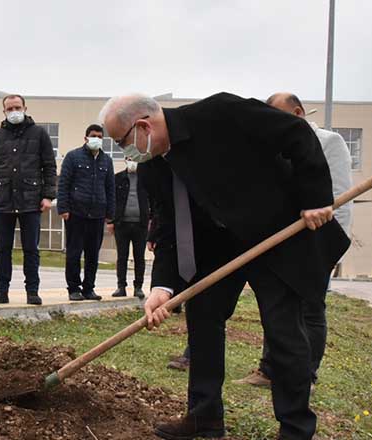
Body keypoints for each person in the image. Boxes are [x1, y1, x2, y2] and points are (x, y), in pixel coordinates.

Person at [100, 93, 348, 440]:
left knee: (284, 332)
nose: (125, 152)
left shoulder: (221, 113)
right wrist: (162, 287)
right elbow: (168, 227)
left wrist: (315, 197)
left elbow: (296, 133)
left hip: (273, 236)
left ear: (143, 125)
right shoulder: (153, 164)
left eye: (122, 142)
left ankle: (295, 429)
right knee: (202, 317)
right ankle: (205, 417)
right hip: (218, 250)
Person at [233, 92, 353, 388]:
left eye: (278, 116)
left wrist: (329, 245)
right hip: (284, 238)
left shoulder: (330, 142)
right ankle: (269, 370)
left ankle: (305, 375)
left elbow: (338, 196)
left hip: (318, 238)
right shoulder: (277, 145)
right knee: (278, 306)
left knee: (311, 307)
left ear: (298, 113)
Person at [0, 94, 57, 305]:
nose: (14, 111)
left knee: (31, 249)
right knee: (2, 249)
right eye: (9, 108)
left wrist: (48, 195)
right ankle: (1, 290)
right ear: (4, 111)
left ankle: (32, 290)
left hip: (31, 201)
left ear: (25, 108)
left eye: (17, 107)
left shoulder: (39, 134)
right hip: (3, 201)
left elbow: (49, 166)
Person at [57, 124, 115, 301]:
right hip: (76, 213)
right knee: (74, 253)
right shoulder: (73, 157)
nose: (96, 139)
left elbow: (110, 188)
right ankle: (73, 288)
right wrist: (63, 208)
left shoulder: (107, 161)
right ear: (86, 138)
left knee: (92, 254)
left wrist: (110, 213)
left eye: (99, 136)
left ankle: (89, 288)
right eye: (93, 135)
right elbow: (63, 184)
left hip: (97, 214)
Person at [110, 158, 149, 299]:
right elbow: (112, 199)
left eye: (135, 159)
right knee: (122, 256)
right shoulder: (118, 178)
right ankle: (121, 286)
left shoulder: (146, 178)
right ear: (125, 160)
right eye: (130, 159)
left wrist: (151, 220)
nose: (132, 162)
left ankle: (138, 287)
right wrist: (111, 220)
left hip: (141, 225)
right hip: (122, 224)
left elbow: (153, 199)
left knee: (139, 257)